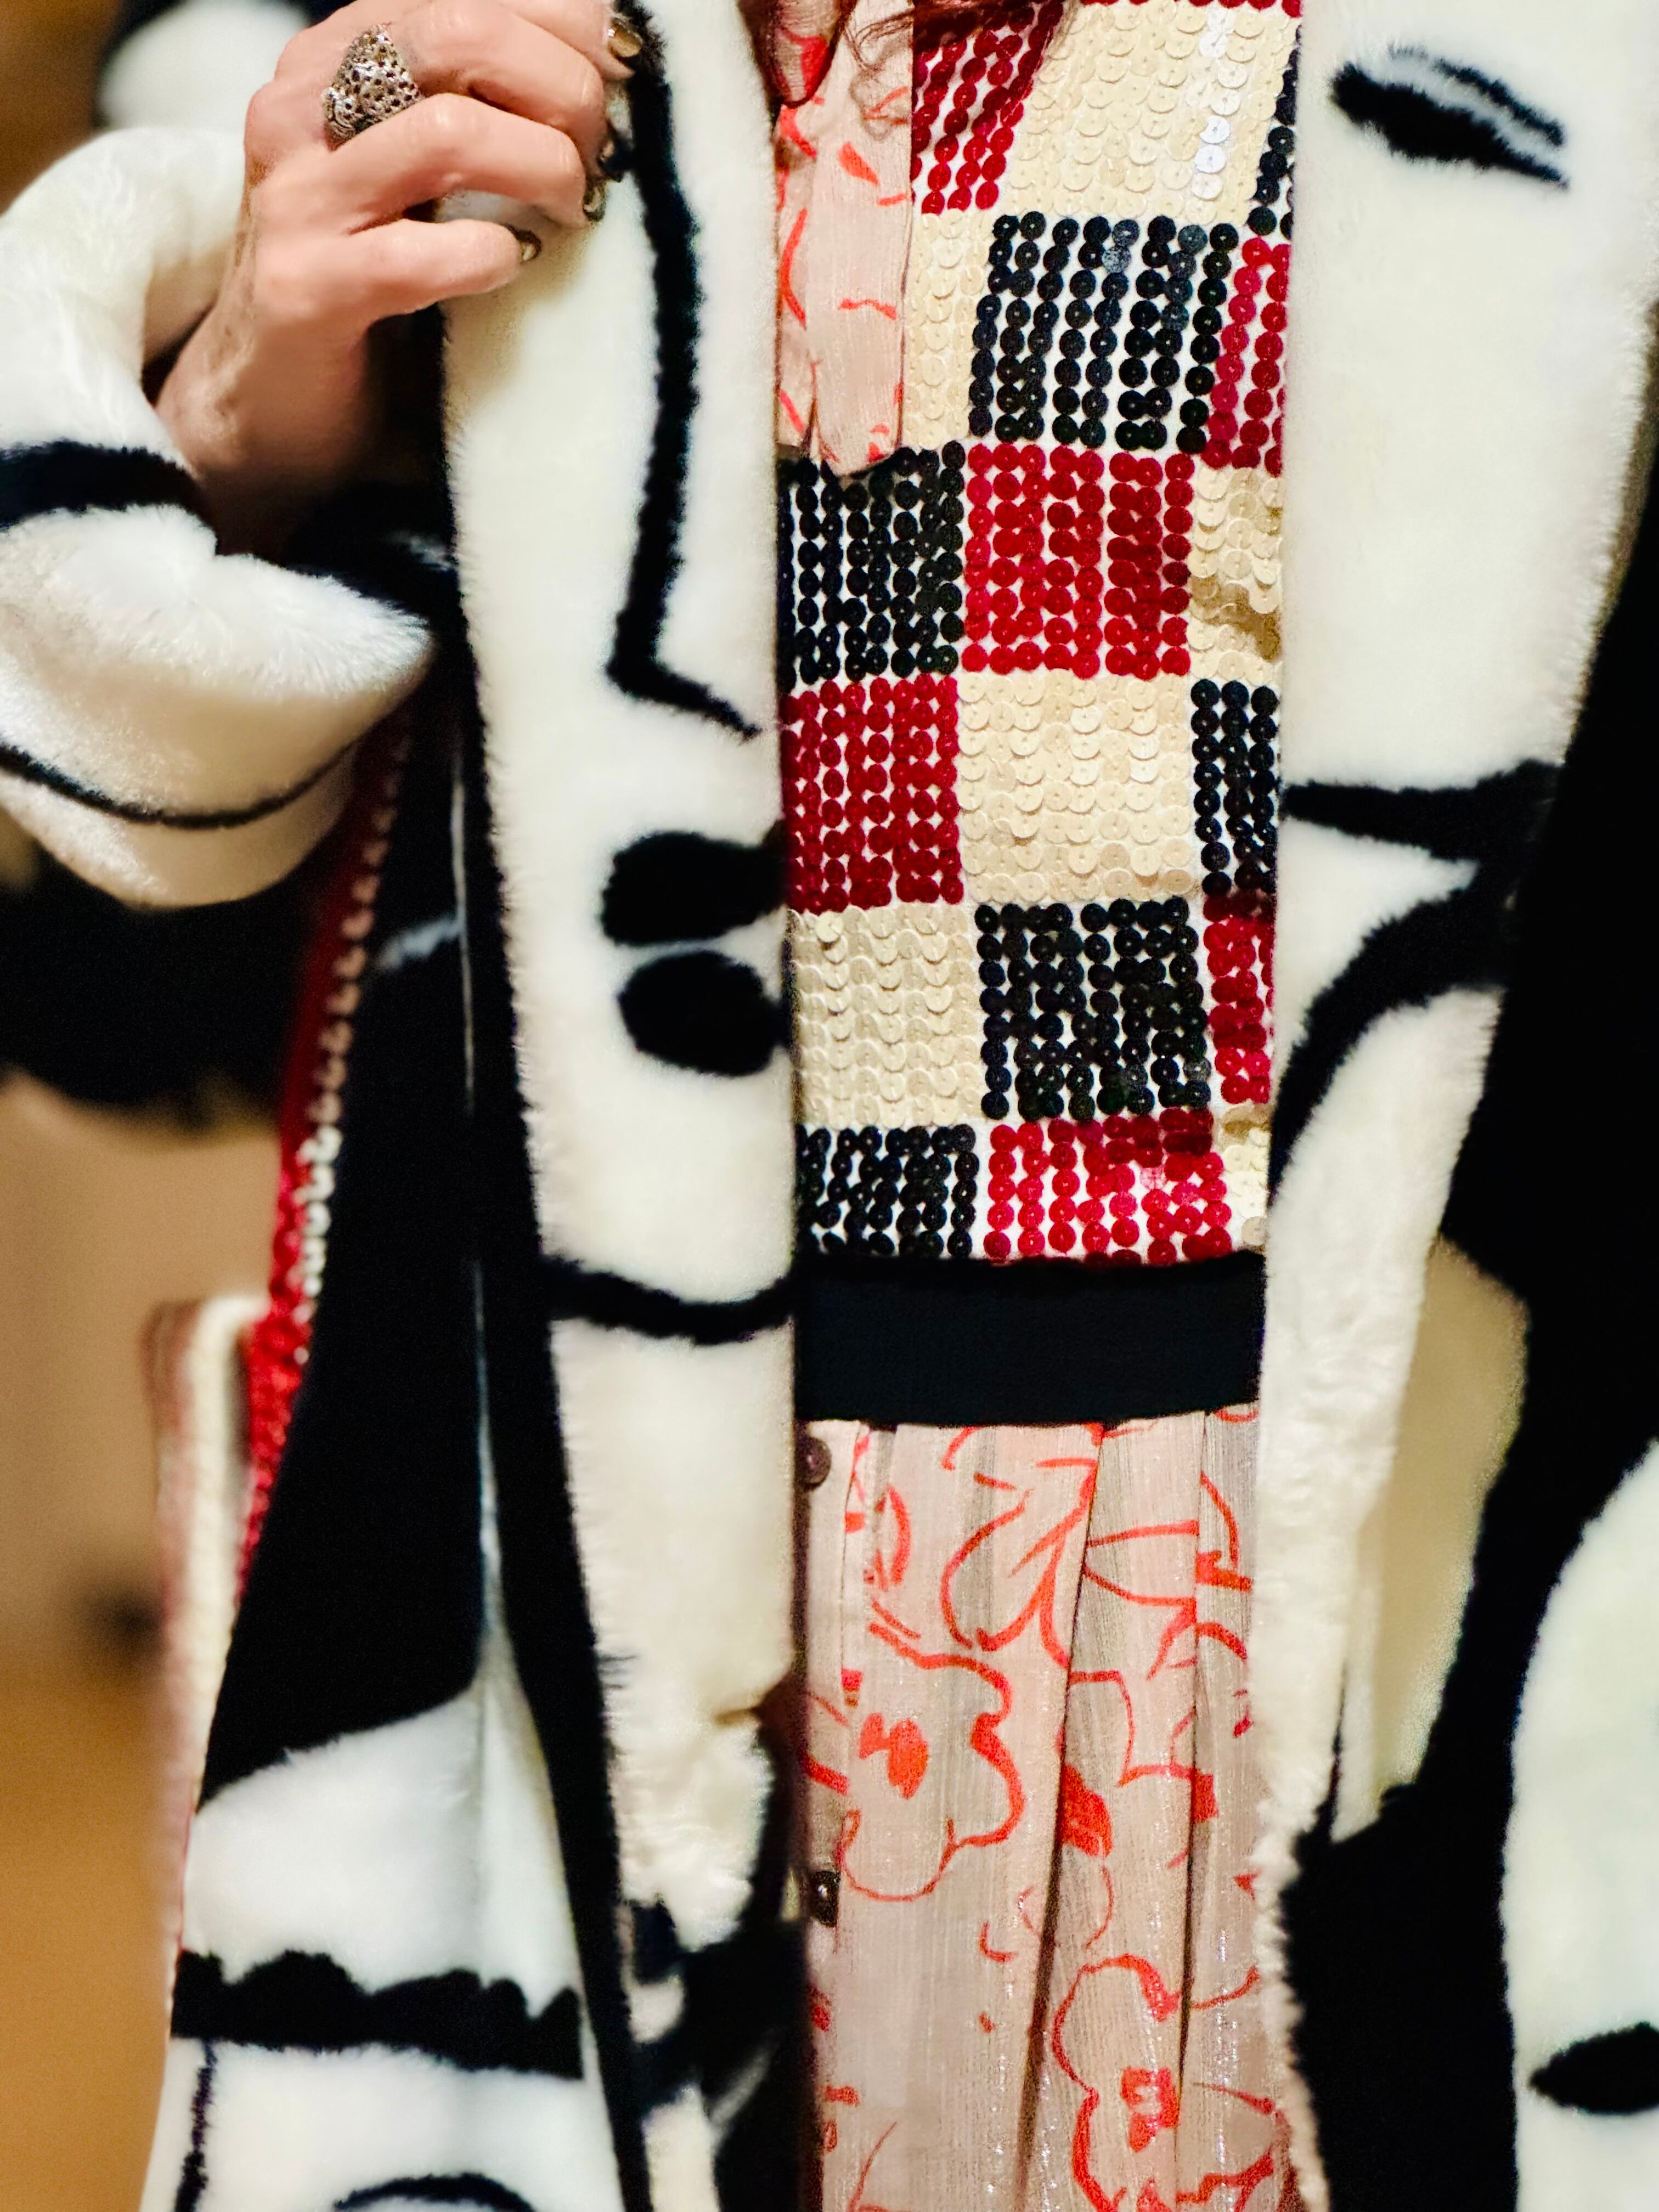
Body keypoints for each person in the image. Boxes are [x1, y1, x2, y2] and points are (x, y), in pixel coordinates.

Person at [1, 2, 1656, 2208]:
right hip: (681, 1610)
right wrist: (250, 410)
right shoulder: (537, 43)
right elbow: (124, 997)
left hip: (1412, 1587)